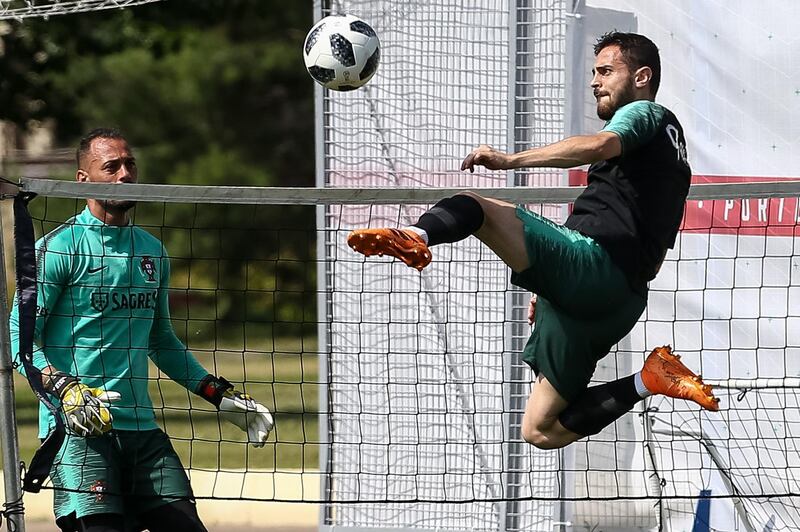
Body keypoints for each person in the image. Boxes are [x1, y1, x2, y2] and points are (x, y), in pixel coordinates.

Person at [347, 32, 719, 450]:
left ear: (642, 76)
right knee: (541, 430)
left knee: (476, 206)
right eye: (594, 72)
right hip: (618, 300)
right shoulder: (667, 149)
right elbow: (618, 212)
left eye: (606, 71)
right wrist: (551, 282)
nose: (595, 81)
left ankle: (414, 235)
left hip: (593, 268)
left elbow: (599, 144)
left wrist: (509, 161)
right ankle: (649, 379)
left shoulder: (646, 112)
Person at [9, 128, 274, 532]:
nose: (124, 174)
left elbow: (160, 340)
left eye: (129, 164)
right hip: (80, 432)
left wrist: (218, 395)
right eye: (110, 166)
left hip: (143, 434)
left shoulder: (152, 250)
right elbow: (18, 340)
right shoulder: (58, 248)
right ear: (84, 180)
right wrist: (65, 390)